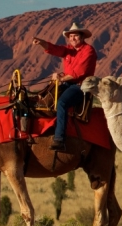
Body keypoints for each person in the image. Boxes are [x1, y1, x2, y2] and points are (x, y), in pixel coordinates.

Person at [32, 22, 97, 151]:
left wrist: (60, 78)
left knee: (62, 103)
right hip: (67, 84)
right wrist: (41, 43)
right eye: (70, 36)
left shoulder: (88, 51)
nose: (72, 38)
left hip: (81, 87)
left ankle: (60, 139)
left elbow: (79, 72)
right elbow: (53, 48)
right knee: (43, 97)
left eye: (75, 36)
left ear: (82, 37)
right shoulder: (68, 50)